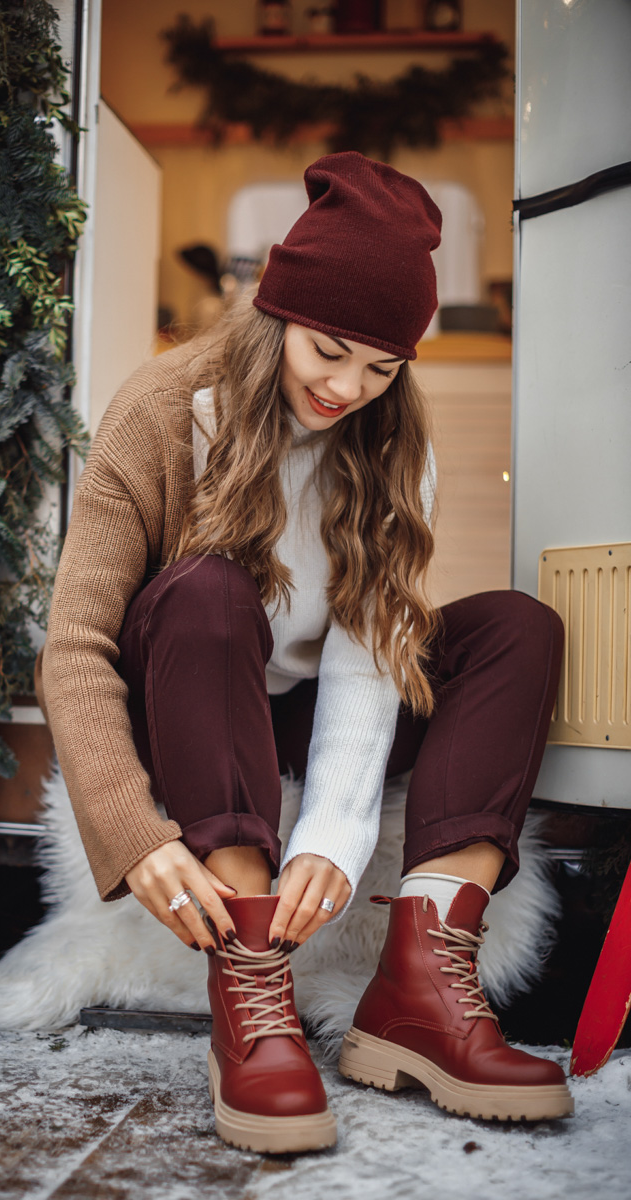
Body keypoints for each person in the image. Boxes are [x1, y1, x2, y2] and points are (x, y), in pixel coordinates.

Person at [34, 153, 574, 1154]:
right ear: (277, 311)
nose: (347, 387)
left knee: (513, 627)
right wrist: (133, 830)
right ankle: (252, 984)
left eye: (380, 367)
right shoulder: (159, 411)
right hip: (192, 691)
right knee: (208, 587)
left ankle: (423, 981)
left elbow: (374, 649)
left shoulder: (391, 442)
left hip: (315, 704)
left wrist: (331, 833)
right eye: (328, 349)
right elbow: (73, 647)